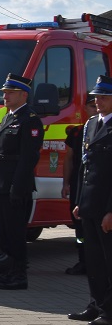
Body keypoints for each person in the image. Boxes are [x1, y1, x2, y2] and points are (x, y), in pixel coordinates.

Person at [0, 72, 43, 291]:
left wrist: (17, 187)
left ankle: (19, 275)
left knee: (16, 232)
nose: (5, 96)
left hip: (15, 185)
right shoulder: (8, 117)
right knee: (6, 232)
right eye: (4, 92)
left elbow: (29, 157)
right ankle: (9, 271)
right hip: (1, 183)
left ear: (23, 94)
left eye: (10, 92)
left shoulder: (30, 119)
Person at [73, 76, 112, 325]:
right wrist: (80, 201)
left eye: (104, 97)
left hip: (106, 207)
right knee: (94, 260)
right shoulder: (91, 124)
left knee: (109, 261)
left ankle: (110, 312)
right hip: (89, 204)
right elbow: (84, 167)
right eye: (96, 97)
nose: (98, 101)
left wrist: (111, 211)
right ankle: (96, 304)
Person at [63, 98, 97, 277]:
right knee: (79, 227)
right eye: (92, 106)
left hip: (98, 187)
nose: (96, 109)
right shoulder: (77, 133)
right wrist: (65, 183)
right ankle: (83, 260)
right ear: (85, 108)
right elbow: (69, 159)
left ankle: (97, 262)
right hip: (78, 186)